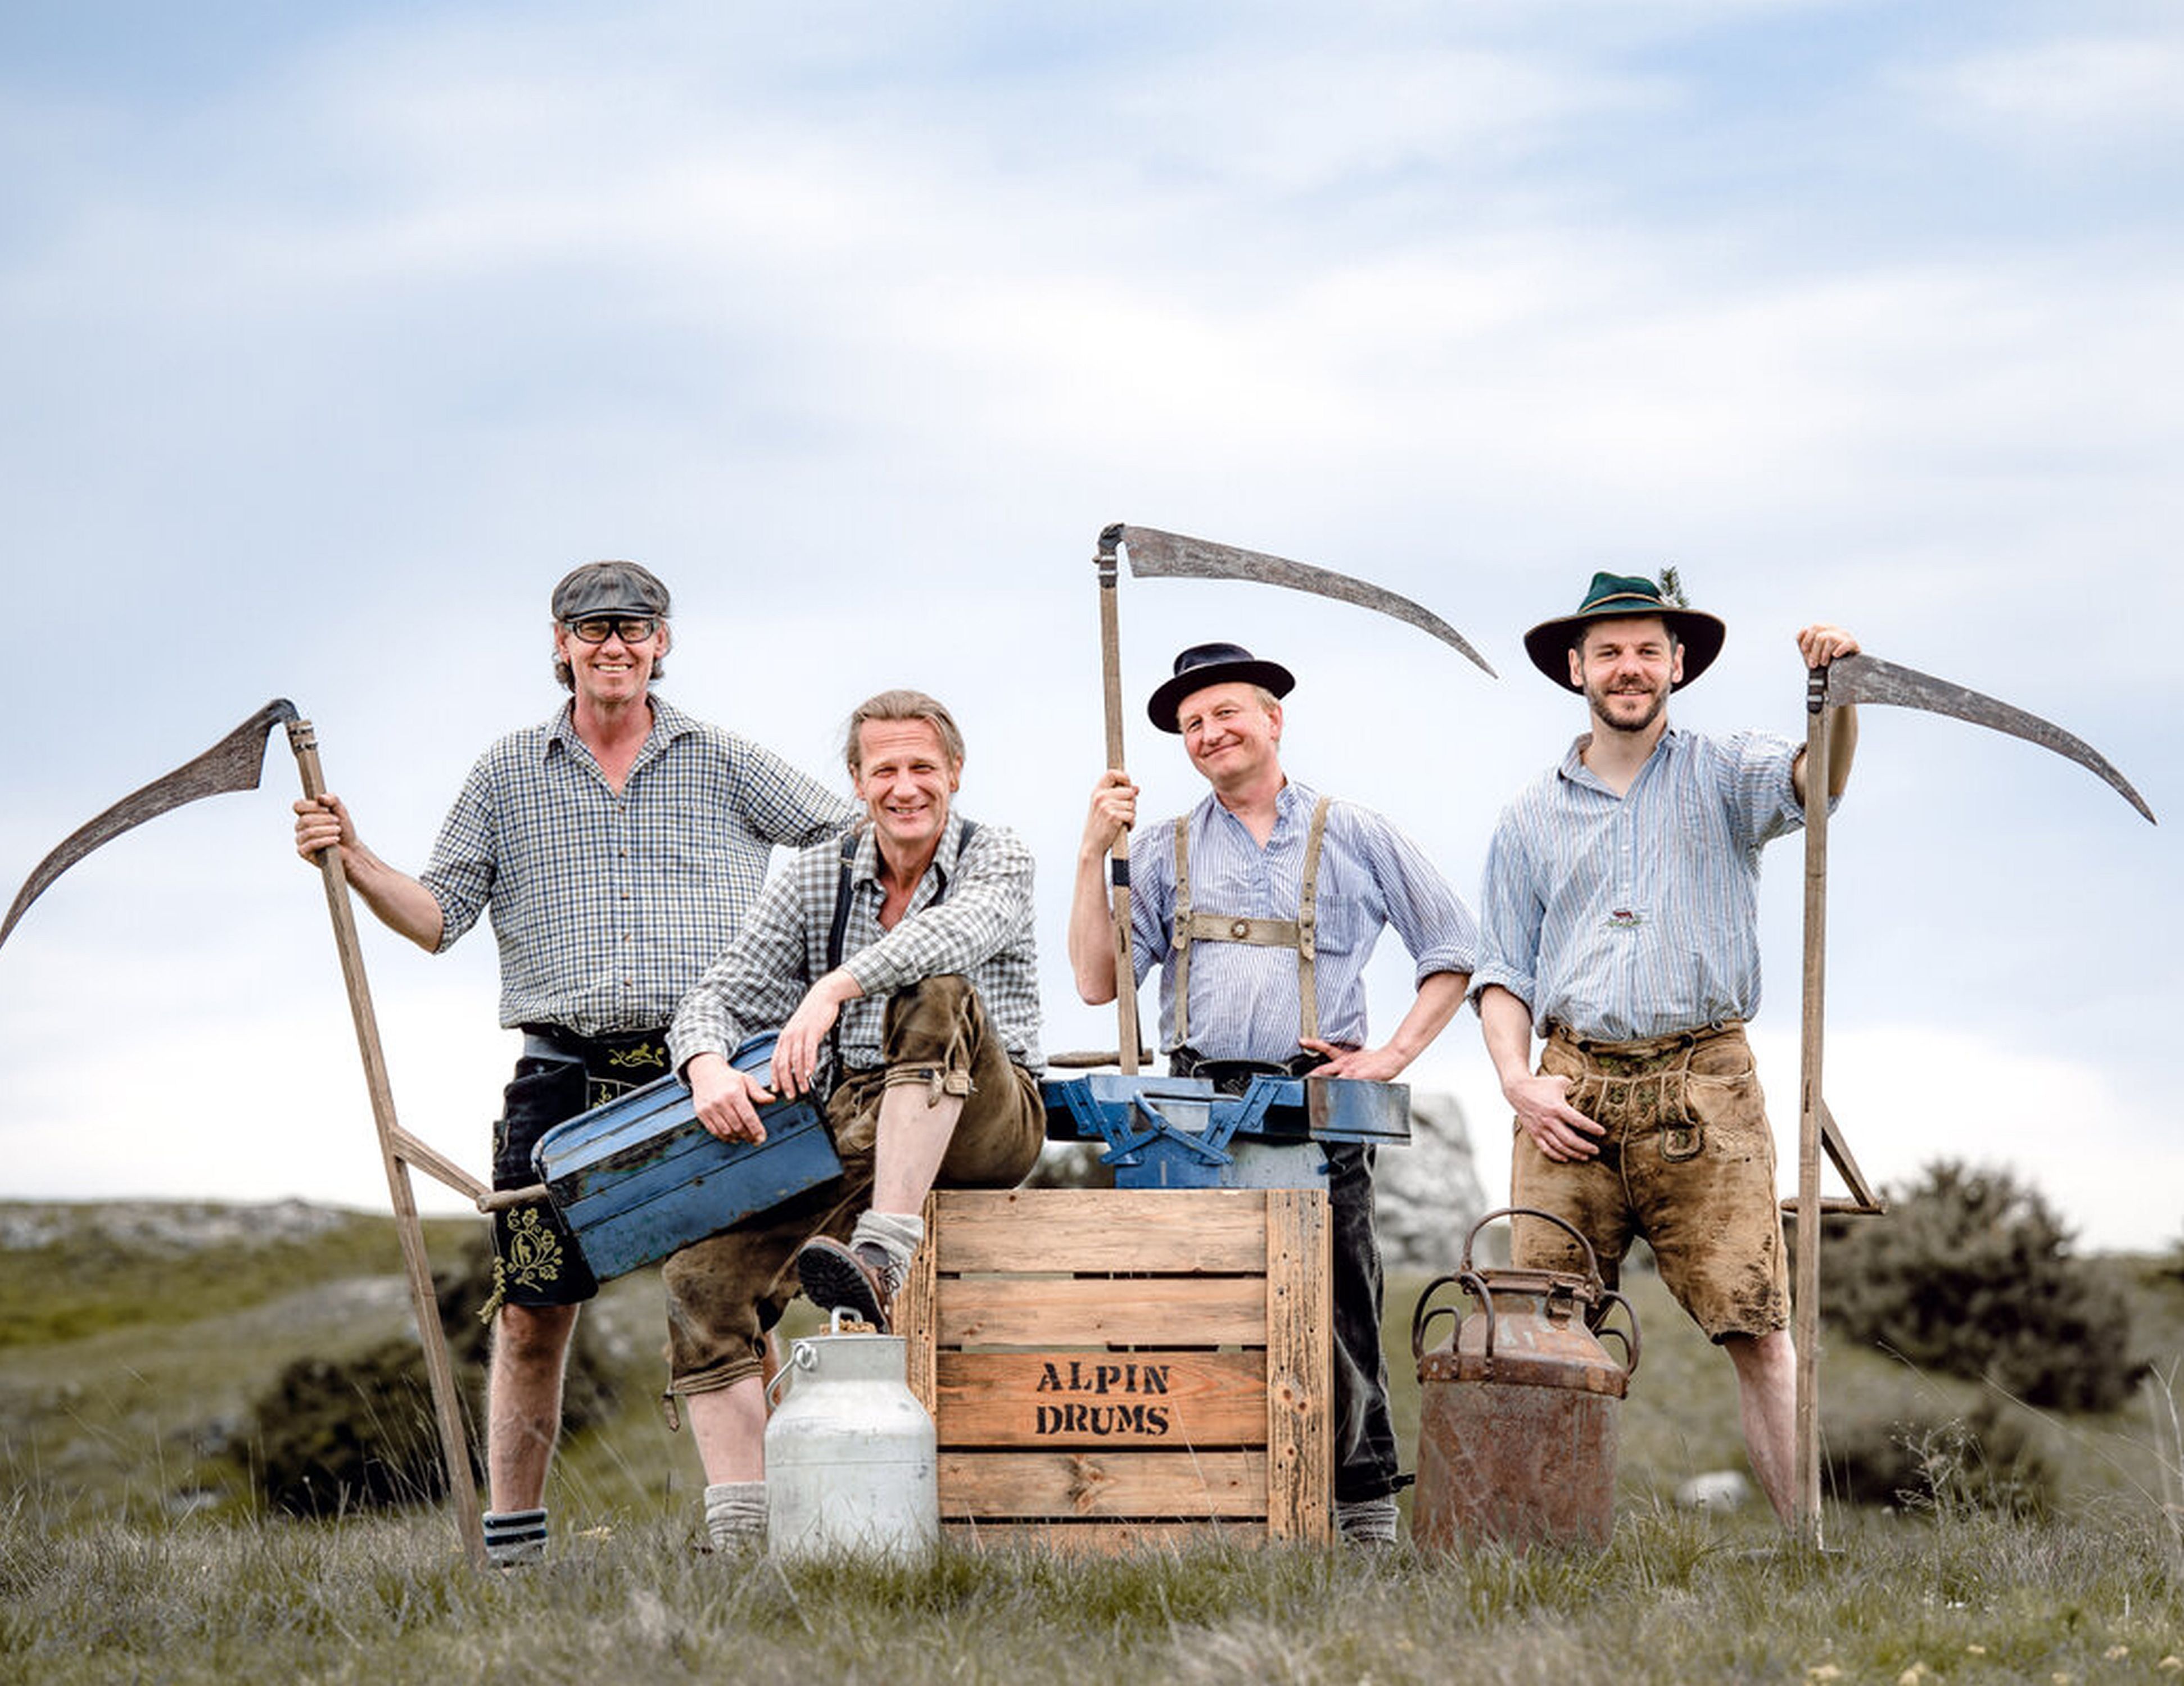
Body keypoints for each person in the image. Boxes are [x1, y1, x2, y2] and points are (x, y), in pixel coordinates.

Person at [292, 560, 851, 1566]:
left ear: (663, 642)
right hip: (560, 1079)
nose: (615, 646)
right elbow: (436, 919)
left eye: (635, 628)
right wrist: (354, 855)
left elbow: (849, 840)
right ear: (559, 644)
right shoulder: (506, 772)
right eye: (593, 629)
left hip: (710, 1067)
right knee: (532, 1313)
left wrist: (813, 963)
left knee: (729, 1299)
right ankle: (513, 1553)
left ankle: (771, 1533)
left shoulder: (721, 758)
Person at [1066, 641, 1477, 1546]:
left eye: (1224, 714)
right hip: (1188, 1115)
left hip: (1312, 1109)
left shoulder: (1355, 832)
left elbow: (1452, 947)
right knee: (1194, 1312)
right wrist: (1093, 853)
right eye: (1191, 726)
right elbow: (1101, 982)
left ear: (1272, 719)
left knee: (1336, 1310)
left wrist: (1393, 1054)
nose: (1209, 734)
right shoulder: (1162, 848)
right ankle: (1211, 1512)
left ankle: (1360, 1513)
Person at [1471, 571, 1858, 1525]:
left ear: (1678, 664)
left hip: (1704, 1086)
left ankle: (1806, 1554)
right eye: (1607, 652)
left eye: (1647, 650)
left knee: (1759, 1329)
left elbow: (1822, 783)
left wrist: (1837, 696)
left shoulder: (1727, 773)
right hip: (1570, 1092)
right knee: (1538, 1333)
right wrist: (1518, 1082)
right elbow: (1500, 973)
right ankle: (1537, 1550)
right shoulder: (1526, 818)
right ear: (1575, 669)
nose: (1628, 668)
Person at [661, 687, 1044, 1554]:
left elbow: (958, 935)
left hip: (988, 1110)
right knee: (700, 1281)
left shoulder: (1000, 857)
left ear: (954, 773)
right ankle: (747, 1535)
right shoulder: (813, 873)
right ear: (857, 780)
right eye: (884, 770)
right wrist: (706, 1062)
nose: (904, 786)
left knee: (934, 985)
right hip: (859, 1122)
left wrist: (833, 988)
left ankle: (882, 1253)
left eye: (922, 767)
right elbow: (718, 993)